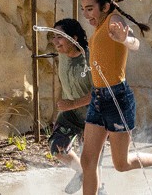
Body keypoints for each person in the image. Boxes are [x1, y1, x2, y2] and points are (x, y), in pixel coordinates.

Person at [79, 0, 152, 195]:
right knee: (87, 160)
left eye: (90, 8)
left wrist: (124, 39)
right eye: (83, 9)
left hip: (117, 98)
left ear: (106, 6)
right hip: (99, 98)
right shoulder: (99, 27)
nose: (86, 14)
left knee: (121, 164)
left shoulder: (113, 20)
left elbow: (135, 43)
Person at [47, 18, 93, 194]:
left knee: (93, 161)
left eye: (60, 37)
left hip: (94, 116)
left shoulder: (89, 59)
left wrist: (72, 103)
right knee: (57, 147)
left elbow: (99, 92)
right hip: (71, 115)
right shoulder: (62, 55)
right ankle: (81, 172)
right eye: (53, 37)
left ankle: (96, 186)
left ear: (74, 38)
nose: (55, 41)